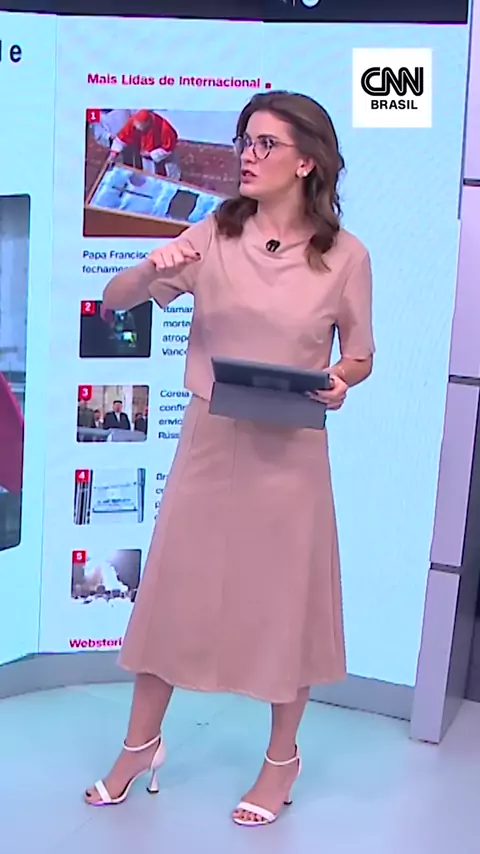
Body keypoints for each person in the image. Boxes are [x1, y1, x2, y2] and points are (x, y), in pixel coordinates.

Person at [85, 90, 374, 826]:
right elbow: (117, 300)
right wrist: (151, 266)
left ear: (307, 162)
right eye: (245, 140)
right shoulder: (214, 231)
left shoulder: (345, 256)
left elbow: (360, 355)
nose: (247, 154)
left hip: (291, 451)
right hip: (211, 441)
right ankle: (139, 745)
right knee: (173, 596)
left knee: (285, 605)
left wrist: (341, 381)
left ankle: (281, 760)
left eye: (265, 143)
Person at [109, 109, 181, 181]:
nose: (139, 131)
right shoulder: (133, 122)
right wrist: (114, 153)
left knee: (171, 174)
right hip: (146, 153)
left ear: (148, 123)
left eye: (142, 129)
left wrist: (152, 154)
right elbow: (122, 138)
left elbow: (168, 148)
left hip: (165, 154)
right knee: (149, 176)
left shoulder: (165, 128)